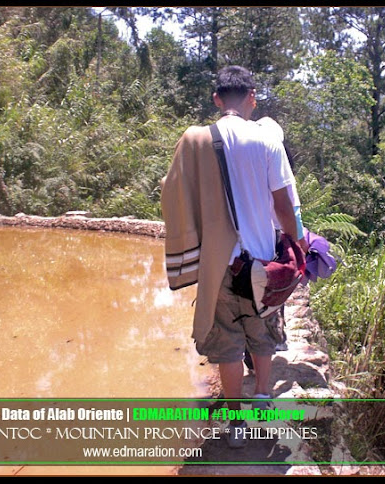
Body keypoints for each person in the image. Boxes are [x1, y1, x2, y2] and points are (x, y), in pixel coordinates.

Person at [160, 66, 307, 448]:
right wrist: (299, 242)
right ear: (252, 97)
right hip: (263, 261)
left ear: (216, 99)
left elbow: (172, 193)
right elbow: (285, 205)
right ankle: (261, 399)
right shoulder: (267, 141)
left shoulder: (196, 142)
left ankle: (236, 424)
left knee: (227, 342)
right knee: (261, 334)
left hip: (220, 262)